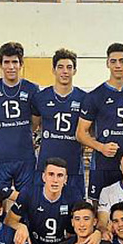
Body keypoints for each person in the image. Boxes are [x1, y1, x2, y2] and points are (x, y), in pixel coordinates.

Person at [77, 43, 123, 204]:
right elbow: (80, 133)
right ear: (107, 63)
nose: (118, 65)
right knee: (99, 207)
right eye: (113, 61)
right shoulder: (95, 95)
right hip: (103, 164)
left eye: (122, 61)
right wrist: (101, 147)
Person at [0, 42, 40, 193]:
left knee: (26, 200)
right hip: (0, 157)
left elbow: (35, 121)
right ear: (0, 64)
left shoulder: (32, 89)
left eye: (15, 62)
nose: (11, 67)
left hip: (25, 157)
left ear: (21, 64)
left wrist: (27, 133)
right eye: (6, 62)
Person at [6, 157, 85, 244]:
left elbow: (85, 222)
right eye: (51, 174)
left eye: (60, 175)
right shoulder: (29, 193)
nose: (55, 180)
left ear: (65, 179)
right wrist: (21, 226)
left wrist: (97, 233)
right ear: (44, 177)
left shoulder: (73, 195)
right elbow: (9, 221)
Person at [32, 49, 87, 197]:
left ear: (75, 71)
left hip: (73, 166)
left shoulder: (84, 98)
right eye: (60, 67)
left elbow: (89, 131)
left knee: (75, 209)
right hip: (46, 166)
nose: (65, 71)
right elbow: (32, 126)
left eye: (69, 67)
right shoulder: (41, 97)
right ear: (53, 70)